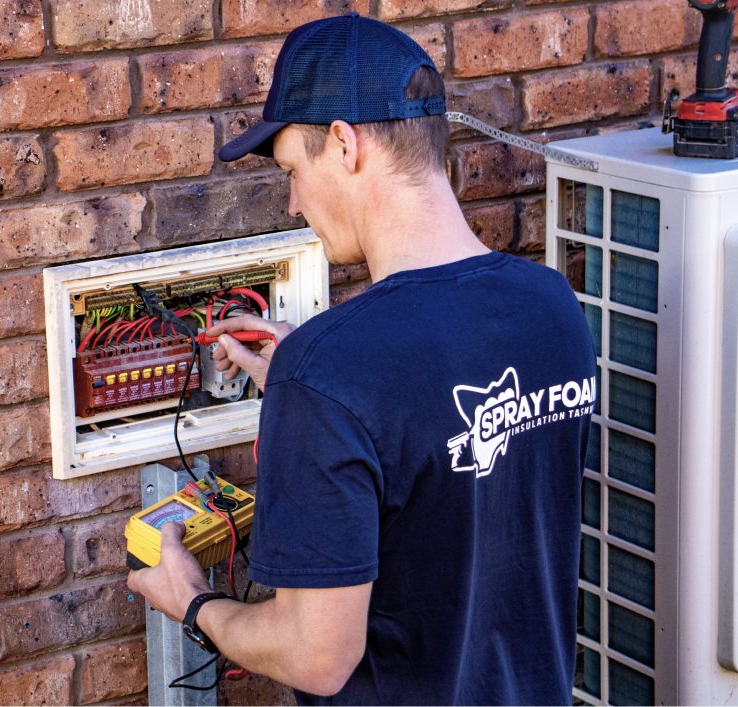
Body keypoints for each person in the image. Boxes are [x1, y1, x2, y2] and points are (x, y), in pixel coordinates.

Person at [128, 12, 595, 705]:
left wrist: (194, 603)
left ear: (345, 144)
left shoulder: (328, 376)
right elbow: (450, 442)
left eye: (292, 168)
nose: (293, 202)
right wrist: (303, 381)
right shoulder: (553, 306)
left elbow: (316, 656)